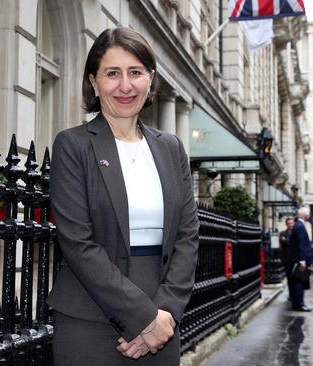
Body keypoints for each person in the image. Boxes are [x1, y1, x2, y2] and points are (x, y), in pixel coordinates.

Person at [48, 27, 199, 365]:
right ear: (94, 81)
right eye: (112, 73)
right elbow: (77, 243)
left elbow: (187, 236)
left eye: (136, 73)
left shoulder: (171, 148)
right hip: (90, 319)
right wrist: (142, 317)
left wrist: (166, 314)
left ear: (150, 79)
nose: (126, 85)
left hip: (163, 321)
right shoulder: (73, 145)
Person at [288, 206, 313, 312]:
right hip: (299, 261)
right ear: (306, 215)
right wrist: (302, 261)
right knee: (300, 283)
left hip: (295, 259)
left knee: (296, 282)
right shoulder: (300, 226)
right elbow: (301, 245)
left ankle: (296, 303)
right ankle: (300, 304)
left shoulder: (297, 225)